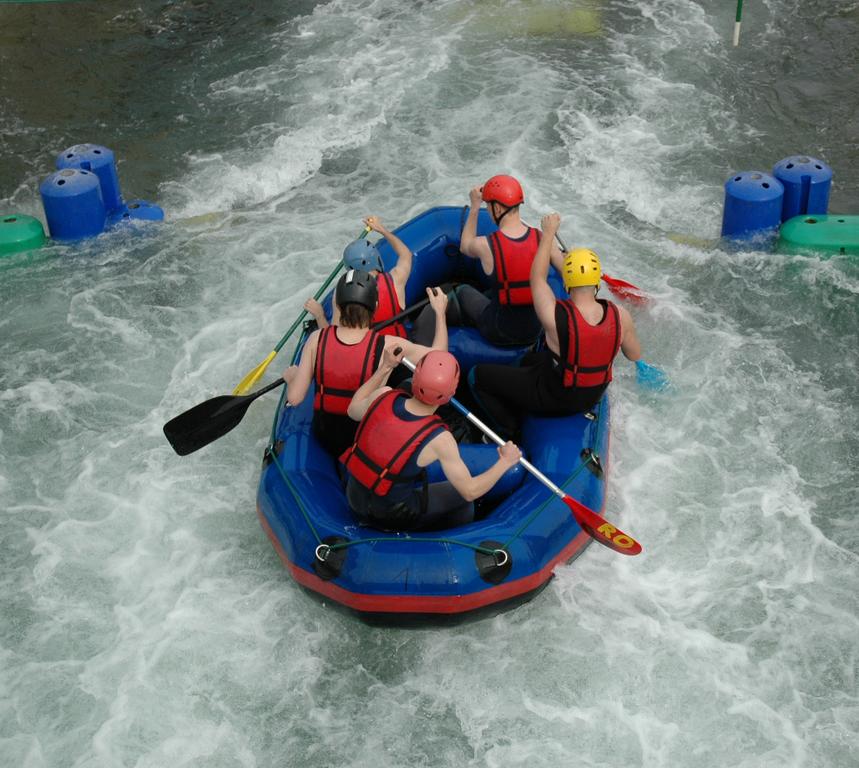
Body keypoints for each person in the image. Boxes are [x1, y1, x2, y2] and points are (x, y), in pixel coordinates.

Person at [468, 213, 642, 438]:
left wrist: (547, 235)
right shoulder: (621, 316)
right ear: (597, 280)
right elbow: (634, 354)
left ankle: (506, 430)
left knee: (476, 376)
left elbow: (537, 278)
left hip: (555, 398)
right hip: (593, 395)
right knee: (528, 361)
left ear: (566, 279)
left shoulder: (554, 316)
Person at [341, 348, 522, 531]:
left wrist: (385, 367)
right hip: (393, 514)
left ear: (415, 377)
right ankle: (446, 542)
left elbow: (352, 409)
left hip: (354, 498)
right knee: (464, 502)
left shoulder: (382, 395)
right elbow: (470, 491)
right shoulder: (440, 440)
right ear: (451, 393)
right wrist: (505, 461)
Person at [282, 269, 449, 458]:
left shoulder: (316, 338)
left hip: (327, 434)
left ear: (337, 305)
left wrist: (292, 378)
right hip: (363, 435)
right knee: (407, 383)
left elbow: (295, 398)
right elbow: (439, 356)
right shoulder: (387, 343)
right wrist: (440, 314)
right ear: (375, 306)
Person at [411, 175, 566, 347]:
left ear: (498, 209)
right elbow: (566, 272)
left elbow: (465, 245)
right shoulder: (544, 240)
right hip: (535, 329)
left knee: (463, 291)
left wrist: (475, 206)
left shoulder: (487, 245)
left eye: (488, 205)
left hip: (499, 331)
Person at [309, 215, 414, 337]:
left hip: (370, 353)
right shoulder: (396, 279)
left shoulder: (342, 295)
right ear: (376, 258)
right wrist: (382, 230)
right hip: (401, 349)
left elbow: (332, 339)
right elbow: (406, 254)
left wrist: (319, 315)